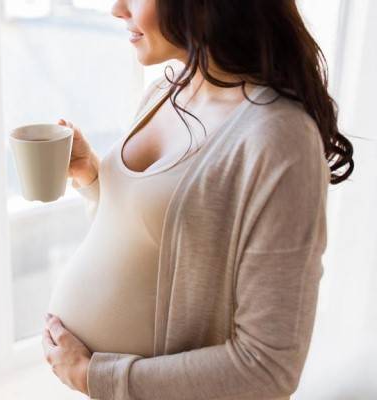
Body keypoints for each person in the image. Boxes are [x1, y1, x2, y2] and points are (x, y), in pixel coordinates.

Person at [41, 1, 354, 399]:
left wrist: (94, 376)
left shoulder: (280, 138)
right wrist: (93, 178)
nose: (117, 9)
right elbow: (157, 243)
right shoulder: (165, 91)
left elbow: (268, 369)